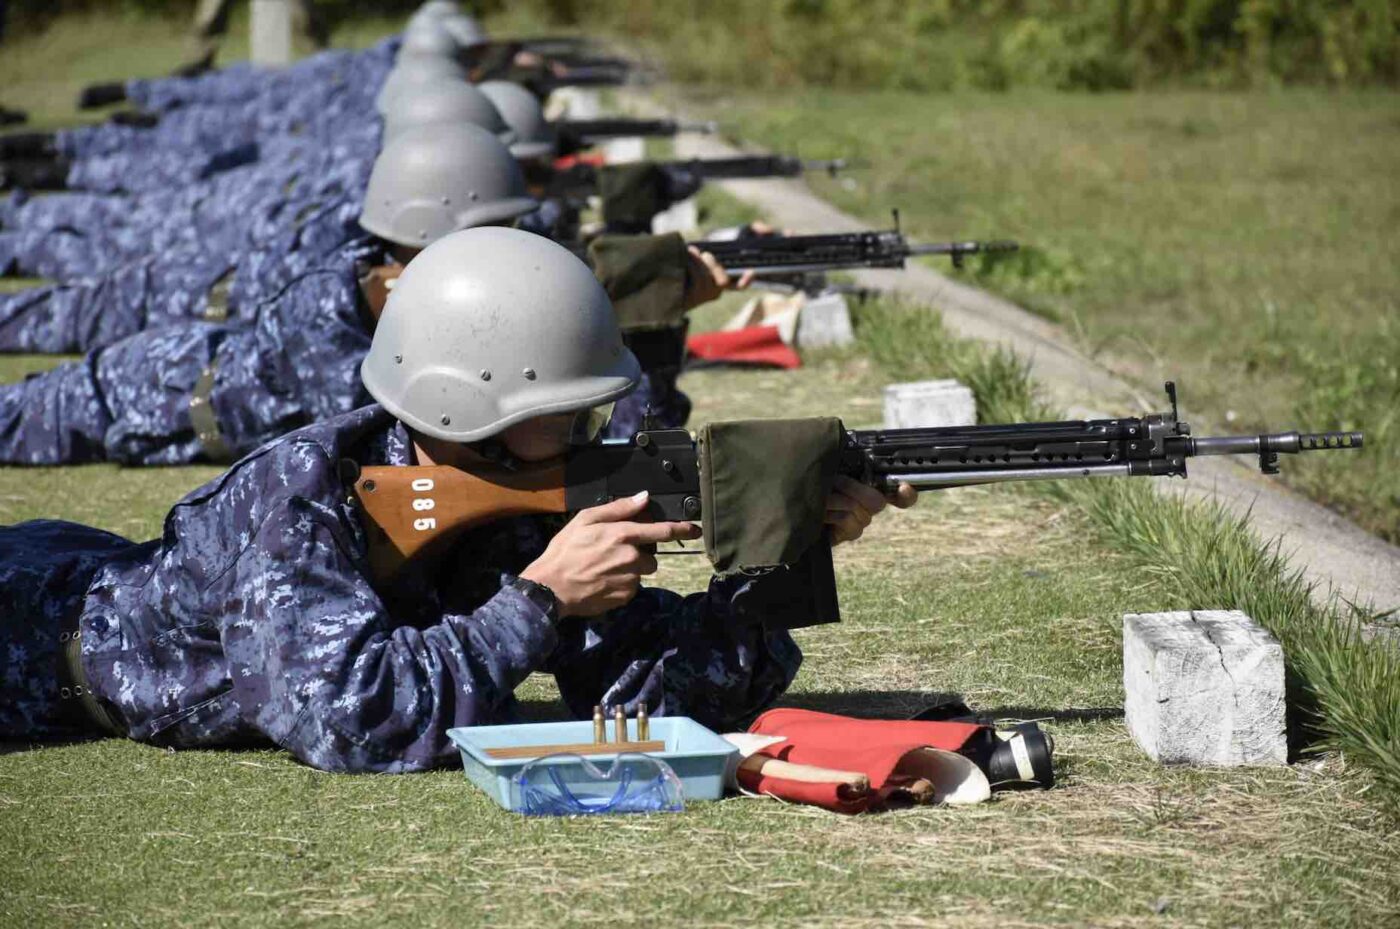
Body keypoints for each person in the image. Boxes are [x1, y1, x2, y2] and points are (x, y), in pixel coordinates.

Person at [0, 225, 916, 773]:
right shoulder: (303, 495)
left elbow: (655, 689)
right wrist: (541, 600)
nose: (592, 428)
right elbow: (350, 719)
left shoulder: (501, 498)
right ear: (465, 404)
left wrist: (790, 539)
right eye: (564, 410)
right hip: (35, 642)